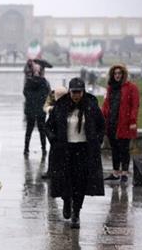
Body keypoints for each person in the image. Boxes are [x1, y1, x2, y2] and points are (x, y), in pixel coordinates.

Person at [45, 78, 105, 229]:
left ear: (83, 92)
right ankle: (66, 201)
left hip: (84, 150)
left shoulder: (90, 106)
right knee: (65, 180)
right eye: (73, 92)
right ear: (70, 91)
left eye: (79, 92)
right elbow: (49, 126)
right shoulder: (61, 106)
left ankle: (76, 213)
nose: (76, 95)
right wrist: (55, 141)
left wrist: (97, 141)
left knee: (80, 183)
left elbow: (101, 125)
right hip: (65, 149)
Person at [102, 64, 140, 183]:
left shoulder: (131, 87)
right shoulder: (110, 88)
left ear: (123, 74)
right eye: (115, 73)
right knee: (114, 149)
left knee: (124, 148)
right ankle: (115, 172)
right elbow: (106, 104)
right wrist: (102, 117)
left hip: (124, 122)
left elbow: (135, 106)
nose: (117, 75)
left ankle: (124, 173)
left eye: (119, 73)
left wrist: (133, 121)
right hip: (112, 122)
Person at [23, 61, 51, 156]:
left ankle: (26, 148)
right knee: (42, 131)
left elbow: (25, 93)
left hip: (30, 110)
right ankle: (43, 148)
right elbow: (48, 94)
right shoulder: (44, 83)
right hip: (41, 110)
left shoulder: (28, 82)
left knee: (29, 130)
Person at [41, 86, 69, 179]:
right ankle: (51, 171)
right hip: (55, 128)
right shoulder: (52, 98)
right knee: (54, 151)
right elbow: (46, 107)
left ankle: (57, 170)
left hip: (61, 129)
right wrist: (50, 109)